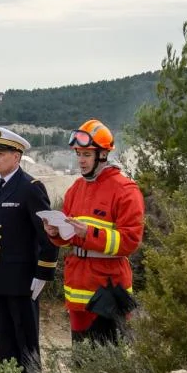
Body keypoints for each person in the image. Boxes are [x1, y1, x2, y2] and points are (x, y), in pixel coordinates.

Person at [44, 119, 144, 344]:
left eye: (86, 154)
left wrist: (88, 234)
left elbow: (130, 241)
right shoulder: (75, 189)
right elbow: (68, 238)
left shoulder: (125, 191)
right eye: (78, 154)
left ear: (102, 154)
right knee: (81, 359)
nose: (81, 160)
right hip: (77, 290)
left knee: (109, 362)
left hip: (107, 292)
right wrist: (55, 232)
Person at [0, 127, 58, 373]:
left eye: (1, 153)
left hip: (21, 277)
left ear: (17, 156)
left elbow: (48, 234)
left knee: (25, 336)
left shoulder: (30, 188)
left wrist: (43, 272)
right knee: (3, 335)